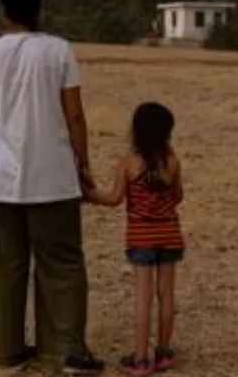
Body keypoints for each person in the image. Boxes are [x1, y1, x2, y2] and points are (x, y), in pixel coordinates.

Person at [0, 0, 106, 375]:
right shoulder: (59, 50)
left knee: (7, 265)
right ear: (37, 9)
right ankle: (67, 349)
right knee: (62, 262)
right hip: (53, 178)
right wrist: (84, 165)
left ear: (5, 12)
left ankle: (9, 350)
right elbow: (75, 115)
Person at [87, 102, 184, 376]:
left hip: (141, 237)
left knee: (143, 299)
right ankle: (163, 353)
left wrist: (89, 194)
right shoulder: (172, 161)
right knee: (166, 295)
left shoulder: (129, 163)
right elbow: (178, 196)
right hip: (169, 235)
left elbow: (115, 198)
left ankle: (140, 359)